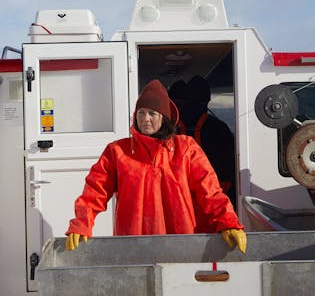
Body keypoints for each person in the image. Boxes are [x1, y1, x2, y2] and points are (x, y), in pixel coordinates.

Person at [65, 79, 246, 253]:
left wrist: (227, 221)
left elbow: (210, 192)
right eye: (141, 113)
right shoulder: (118, 151)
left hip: (182, 243)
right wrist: (82, 223)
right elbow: (95, 191)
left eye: (152, 113)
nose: (146, 119)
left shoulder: (186, 148)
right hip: (133, 245)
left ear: (164, 117)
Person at [170, 76, 236, 207]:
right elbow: (228, 168)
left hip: (179, 199)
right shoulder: (219, 128)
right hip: (212, 198)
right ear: (207, 100)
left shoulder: (169, 129)